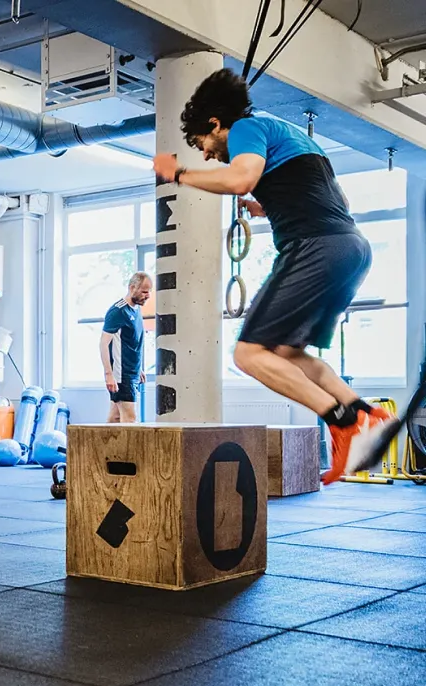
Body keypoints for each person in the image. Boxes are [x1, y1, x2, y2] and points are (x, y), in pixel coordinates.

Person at [153, 68, 392, 484]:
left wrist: (178, 174)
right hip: (350, 247)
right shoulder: (285, 131)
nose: (206, 154)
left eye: (202, 143)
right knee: (284, 353)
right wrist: (267, 208)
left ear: (214, 124)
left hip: (316, 247)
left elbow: (240, 179)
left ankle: (343, 422)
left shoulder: (246, 127)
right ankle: (367, 413)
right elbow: (332, 195)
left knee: (248, 354)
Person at [101, 272, 151, 422]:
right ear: (132, 288)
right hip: (121, 375)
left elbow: (132, 342)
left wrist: (139, 368)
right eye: (144, 291)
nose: (148, 295)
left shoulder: (136, 309)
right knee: (130, 419)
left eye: (149, 291)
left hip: (132, 372)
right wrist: (108, 375)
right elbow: (103, 344)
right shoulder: (118, 311)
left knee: (115, 418)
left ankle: (102, 446)